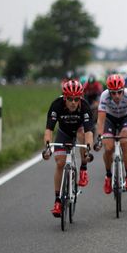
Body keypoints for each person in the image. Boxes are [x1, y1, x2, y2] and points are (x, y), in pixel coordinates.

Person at [42, 80, 95, 217]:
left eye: (76, 99)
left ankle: (83, 168)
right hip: (64, 132)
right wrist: (47, 147)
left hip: (80, 129)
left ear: (80, 98)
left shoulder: (84, 106)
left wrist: (88, 150)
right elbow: (49, 129)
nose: (73, 102)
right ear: (65, 98)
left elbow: (89, 131)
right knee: (60, 162)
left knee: (82, 134)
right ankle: (58, 200)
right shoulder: (56, 105)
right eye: (70, 99)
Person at [97, 74, 127, 194]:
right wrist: (100, 137)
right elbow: (100, 120)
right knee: (109, 147)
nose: (116, 96)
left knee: (125, 142)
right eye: (113, 93)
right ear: (109, 91)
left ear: (123, 90)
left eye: (119, 92)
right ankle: (108, 175)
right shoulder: (104, 96)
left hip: (125, 119)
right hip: (110, 119)